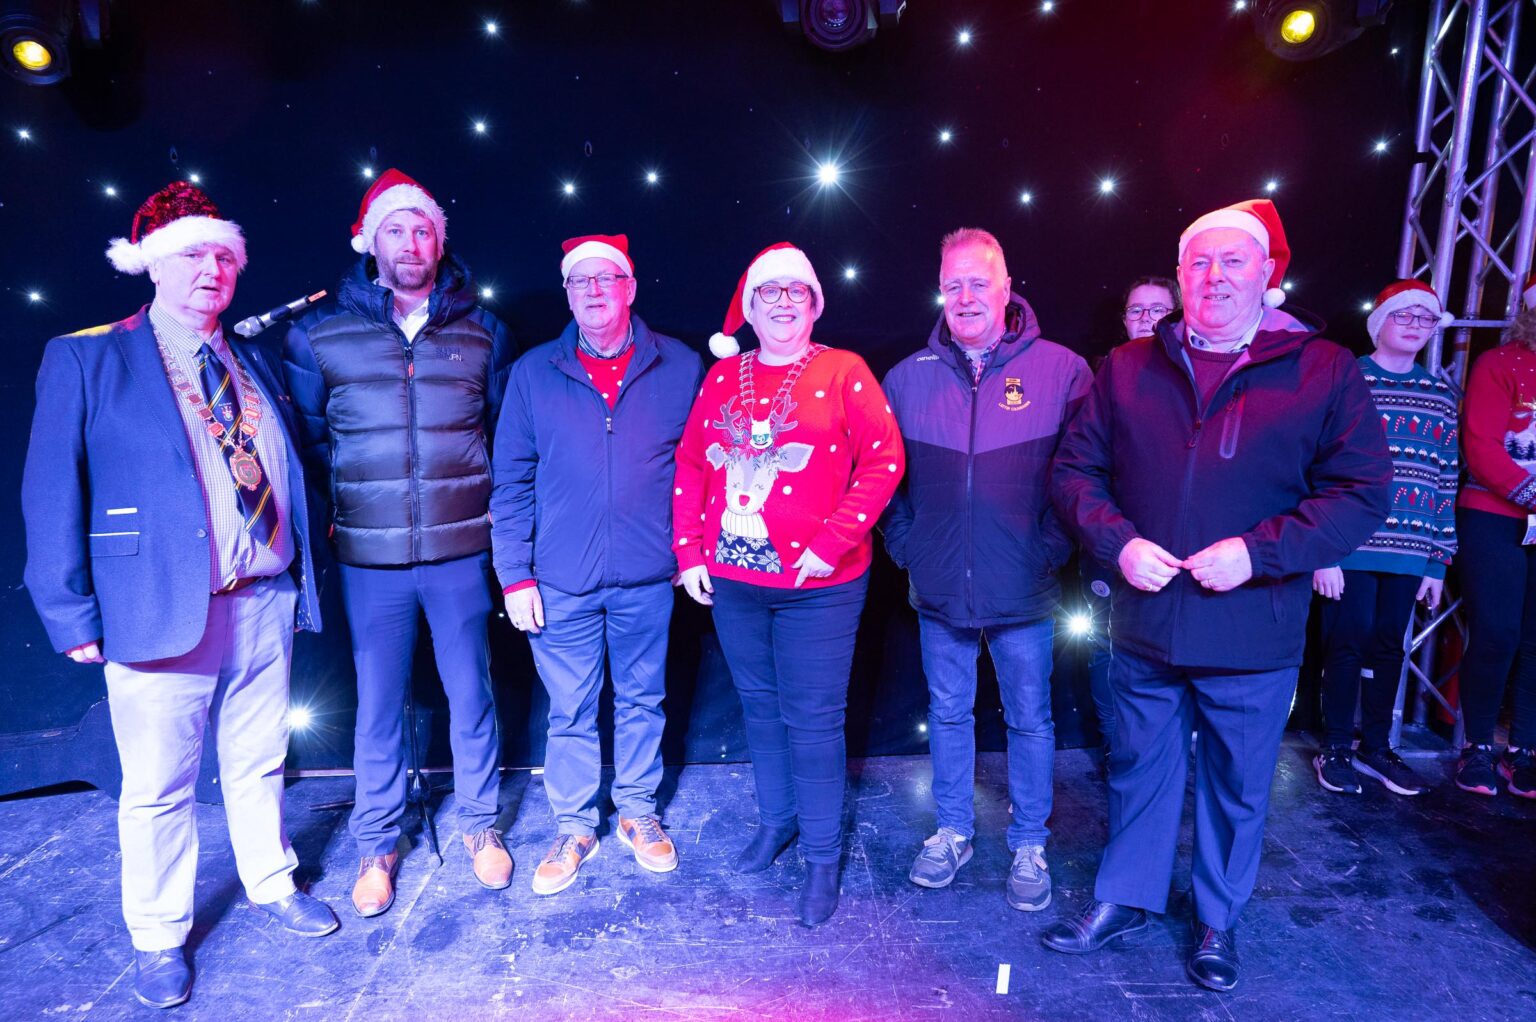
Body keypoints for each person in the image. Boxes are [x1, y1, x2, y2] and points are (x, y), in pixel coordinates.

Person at [1046, 199, 1390, 991]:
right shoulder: (1129, 367)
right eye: (1198, 263)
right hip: (1145, 622)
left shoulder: (1322, 368)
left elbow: (1362, 492)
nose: (1215, 277)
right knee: (1138, 769)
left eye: (1234, 261)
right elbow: (1074, 473)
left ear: (1269, 274)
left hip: (1253, 626)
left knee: (1239, 784)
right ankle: (1125, 898)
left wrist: (1259, 552)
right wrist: (1118, 542)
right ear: (1178, 277)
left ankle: (1216, 919)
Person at [22, 182, 336, 1009]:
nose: (213, 269)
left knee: (259, 758)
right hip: (157, 607)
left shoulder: (248, 356)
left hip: (263, 597)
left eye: (225, 256)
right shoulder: (88, 356)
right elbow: (51, 489)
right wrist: (66, 609)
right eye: (195, 253)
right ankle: (159, 936)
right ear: (151, 265)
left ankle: (272, 883)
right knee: (159, 784)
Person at [282, 169, 517, 916]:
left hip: (461, 554)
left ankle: (481, 826)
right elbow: (311, 443)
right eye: (395, 230)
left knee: (471, 694)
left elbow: (505, 435)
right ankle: (378, 844)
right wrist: (361, 506)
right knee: (378, 705)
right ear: (369, 242)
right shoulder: (320, 335)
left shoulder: (483, 330)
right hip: (370, 562)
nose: (411, 243)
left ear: (440, 241)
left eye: (423, 230)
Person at [673, 243, 904, 926]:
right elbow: (692, 464)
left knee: (813, 719)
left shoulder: (843, 372)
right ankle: (779, 822)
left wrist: (830, 543)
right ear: (749, 306)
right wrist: (690, 552)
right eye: (767, 292)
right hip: (735, 582)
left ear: (813, 304)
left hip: (821, 587)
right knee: (759, 708)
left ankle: (824, 857)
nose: (781, 302)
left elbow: (885, 460)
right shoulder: (724, 377)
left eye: (794, 293)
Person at [880, 227, 1090, 910]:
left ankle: (1029, 841)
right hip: (939, 587)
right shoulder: (907, 379)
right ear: (940, 289)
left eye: (979, 281)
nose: (965, 295)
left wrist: (1050, 547)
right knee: (948, 713)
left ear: (1006, 287)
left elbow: (1086, 475)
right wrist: (910, 547)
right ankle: (952, 831)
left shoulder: (1062, 371)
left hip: (1024, 586)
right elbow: (883, 482)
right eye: (954, 283)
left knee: (1030, 717)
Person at [490, 234, 703, 894]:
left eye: (605, 278)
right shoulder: (532, 374)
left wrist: (688, 548)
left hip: (648, 576)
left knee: (644, 699)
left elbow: (700, 471)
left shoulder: (681, 367)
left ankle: (639, 813)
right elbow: (511, 481)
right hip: (561, 582)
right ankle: (576, 825)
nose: (592, 290)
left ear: (630, 287)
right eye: (579, 282)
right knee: (571, 709)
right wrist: (515, 574)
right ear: (567, 294)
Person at [1312, 280, 1458, 797]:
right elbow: (1319, 463)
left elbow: (1445, 478)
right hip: (1350, 543)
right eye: (1406, 316)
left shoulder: (1438, 394)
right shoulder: (1347, 377)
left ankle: (1376, 746)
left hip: (1410, 547)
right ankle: (1335, 747)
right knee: (1346, 642)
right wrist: (1323, 548)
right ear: (1381, 322)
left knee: (1389, 647)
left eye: (1426, 319)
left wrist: (1438, 562)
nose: (1416, 326)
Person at [1084, 275, 1184, 767]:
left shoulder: (1197, 375)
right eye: (1136, 311)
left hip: (1180, 550)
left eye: (1158, 311)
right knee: (1105, 646)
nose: (1146, 320)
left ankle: (1162, 750)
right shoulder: (1101, 377)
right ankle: (1116, 746)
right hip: (1110, 545)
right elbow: (1079, 468)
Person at [1454, 299, 1536, 799]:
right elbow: (1481, 444)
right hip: (1494, 513)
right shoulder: (1500, 363)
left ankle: (1525, 749)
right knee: (1497, 633)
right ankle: (1477, 746)